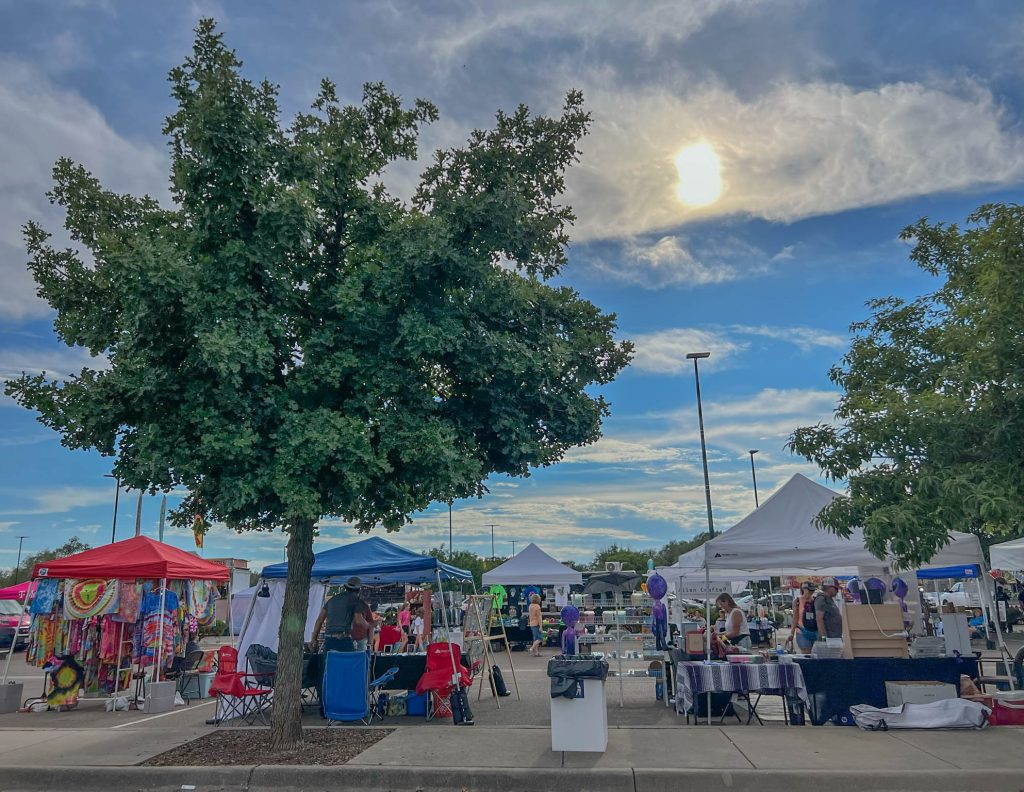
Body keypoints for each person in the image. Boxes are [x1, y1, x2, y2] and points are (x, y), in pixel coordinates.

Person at [309, 576, 364, 652]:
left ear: (346, 587)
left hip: (329, 638)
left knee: (329, 662)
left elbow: (319, 620)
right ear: (358, 590)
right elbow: (358, 621)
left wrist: (314, 639)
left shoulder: (332, 599)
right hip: (344, 638)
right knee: (348, 662)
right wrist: (369, 625)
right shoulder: (356, 601)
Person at [788, 581, 818, 654]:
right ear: (804, 589)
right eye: (809, 590)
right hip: (802, 631)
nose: (811, 592)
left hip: (814, 631)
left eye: (813, 590)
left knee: (815, 654)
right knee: (806, 654)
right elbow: (795, 618)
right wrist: (791, 633)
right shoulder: (797, 601)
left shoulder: (815, 600)